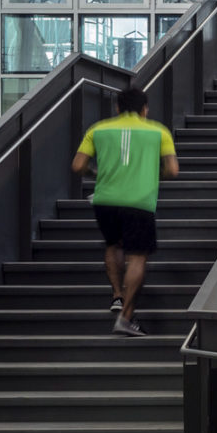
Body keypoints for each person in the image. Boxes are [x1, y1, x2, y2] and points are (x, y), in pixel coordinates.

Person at [72, 81, 177, 337]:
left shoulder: (98, 129)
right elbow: (172, 170)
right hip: (139, 202)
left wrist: (94, 172)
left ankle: (117, 294)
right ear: (145, 109)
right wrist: (154, 174)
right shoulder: (158, 132)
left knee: (113, 245)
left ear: (118, 107)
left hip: (105, 201)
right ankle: (125, 318)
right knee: (138, 256)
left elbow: (77, 166)